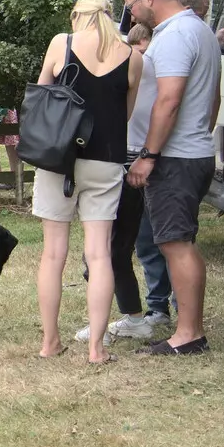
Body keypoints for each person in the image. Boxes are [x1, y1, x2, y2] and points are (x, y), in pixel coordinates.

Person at [34, 0, 141, 364]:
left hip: (58, 159)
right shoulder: (133, 57)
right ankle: (96, 348)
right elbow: (123, 115)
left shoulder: (61, 44)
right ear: (112, 16)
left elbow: (42, 99)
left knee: (53, 254)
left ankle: (50, 342)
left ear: (77, 15)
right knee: (99, 254)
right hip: (106, 160)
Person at [124, 0, 222, 355]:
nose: (130, 14)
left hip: (176, 158)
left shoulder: (177, 34)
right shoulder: (199, 30)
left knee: (176, 244)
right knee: (179, 242)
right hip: (192, 151)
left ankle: (188, 335)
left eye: (131, 4)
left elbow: (169, 99)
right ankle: (189, 329)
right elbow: (213, 98)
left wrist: (148, 155)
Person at [74, 23, 170, 345]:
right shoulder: (143, 68)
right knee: (115, 249)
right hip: (126, 160)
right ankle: (132, 316)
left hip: (126, 163)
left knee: (104, 252)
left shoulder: (135, 69)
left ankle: (126, 319)